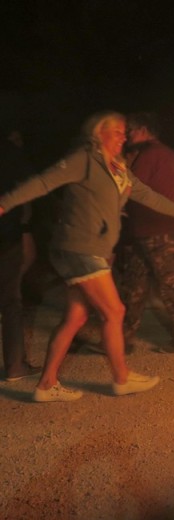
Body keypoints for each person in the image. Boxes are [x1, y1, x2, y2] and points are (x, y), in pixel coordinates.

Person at [0, 111, 174, 402]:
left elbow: (148, 195)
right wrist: (5, 203)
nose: (124, 136)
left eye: (125, 132)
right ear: (99, 133)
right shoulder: (84, 158)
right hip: (78, 247)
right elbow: (44, 182)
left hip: (94, 249)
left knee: (76, 316)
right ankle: (121, 378)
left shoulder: (119, 168)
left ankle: (46, 385)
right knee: (115, 312)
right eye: (117, 132)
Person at [118, 112, 174, 353]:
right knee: (135, 284)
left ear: (145, 130)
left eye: (132, 131)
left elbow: (129, 188)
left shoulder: (147, 155)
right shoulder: (170, 153)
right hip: (154, 229)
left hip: (156, 230)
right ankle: (122, 337)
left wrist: (115, 209)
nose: (128, 136)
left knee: (169, 284)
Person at [0, 125, 40, 381]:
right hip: (6, 234)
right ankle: (15, 366)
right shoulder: (9, 152)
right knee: (10, 300)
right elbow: (32, 185)